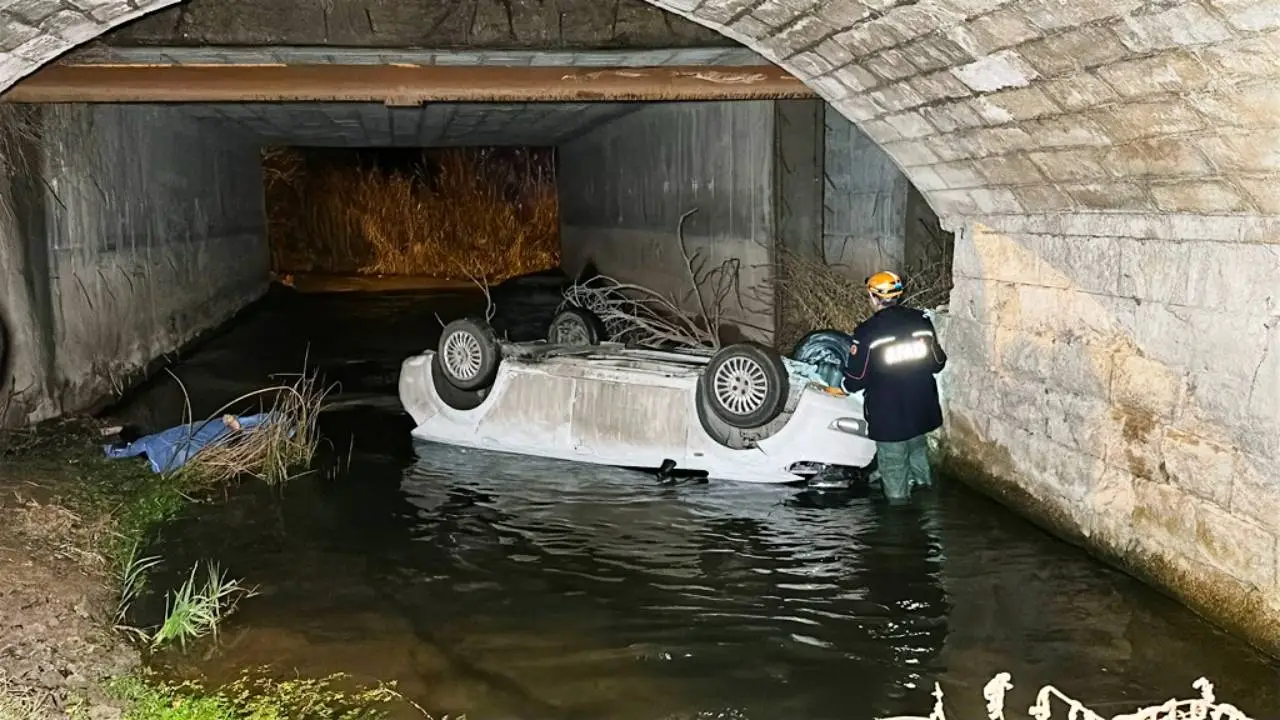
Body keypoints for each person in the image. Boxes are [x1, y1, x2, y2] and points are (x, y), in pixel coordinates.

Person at [842, 270, 947, 504]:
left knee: (893, 466)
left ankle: (899, 523)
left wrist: (842, 383)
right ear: (898, 295)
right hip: (921, 408)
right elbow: (938, 363)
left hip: (890, 416)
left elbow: (855, 379)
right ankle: (927, 499)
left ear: (873, 297)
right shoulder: (921, 320)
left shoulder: (868, 332)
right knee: (918, 454)